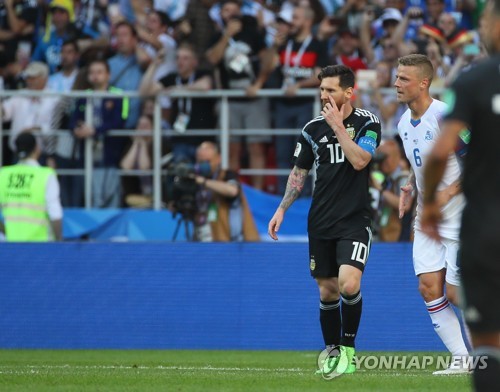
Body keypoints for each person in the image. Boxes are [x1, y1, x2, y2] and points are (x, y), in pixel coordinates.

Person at [268, 65, 381, 375]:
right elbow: (299, 173)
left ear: (349, 92)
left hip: (354, 220)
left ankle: (348, 351)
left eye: (331, 90)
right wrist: (281, 209)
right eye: (322, 90)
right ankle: (332, 352)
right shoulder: (312, 128)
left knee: (349, 282)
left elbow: (360, 161)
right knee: (327, 291)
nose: (324, 96)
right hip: (320, 221)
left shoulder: (368, 124)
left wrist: (339, 127)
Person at [421, 0, 500, 388]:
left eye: (486, 20)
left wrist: (432, 201)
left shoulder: (472, 81)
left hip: (486, 225)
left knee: (488, 346)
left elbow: (440, 152)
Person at [395, 54, 470, 374]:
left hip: (461, 214)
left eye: (404, 79)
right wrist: (410, 186)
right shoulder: (401, 122)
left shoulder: (445, 117)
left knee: (456, 292)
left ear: (423, 83)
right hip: (427, 217)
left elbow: (480, 160)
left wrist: (448, 192)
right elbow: (423, 161)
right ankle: (462, 359)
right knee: (428, 286)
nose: (396, 84)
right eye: (397, 77)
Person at [68, 59, 129, 208]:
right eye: (92, 72)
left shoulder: (118, 95)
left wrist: (95, 130)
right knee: (92, 196)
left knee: (110, 195)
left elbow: (120, 121)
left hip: (110, 153)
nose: (95, 76)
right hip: (88, 154)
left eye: (99, 72)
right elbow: (73, 119)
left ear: (108, 75)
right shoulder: (84, 95)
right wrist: (77, 129)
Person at [187, 141, 259, 242]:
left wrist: (204, 182)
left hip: (233, 242)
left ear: (218, 159)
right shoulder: (193, 180)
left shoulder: (227, 175)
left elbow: (232, 191)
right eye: (201, 161)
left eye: (208, 161)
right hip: (204, 238)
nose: (204, 165)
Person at [0, 132, 63, 241]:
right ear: (36, 149)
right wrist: (59, 244)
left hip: (10, 246)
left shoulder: (3, 174)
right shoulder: (46, 175)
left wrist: (7, 233)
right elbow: (55, 214)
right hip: (40, 247)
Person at [371, 139, 413, 242]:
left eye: (385, 157)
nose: (382, 162)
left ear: (397, 157)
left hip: (402, 239)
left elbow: (405, 205)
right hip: (386, 237)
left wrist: (380, 189)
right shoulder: (388, 179)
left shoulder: (404, 177)